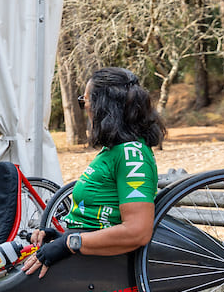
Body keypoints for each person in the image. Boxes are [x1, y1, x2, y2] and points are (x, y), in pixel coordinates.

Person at [20, 66, 165, 278]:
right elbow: (101, 219)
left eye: (85, 100)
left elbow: (137, 231)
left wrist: (70, 242)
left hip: (97, 266)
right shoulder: (114, 150)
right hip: (82, 252)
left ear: (102, 107)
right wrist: (58, 236)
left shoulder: (132, 154)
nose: (84, 106)